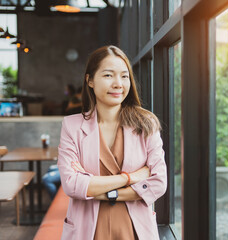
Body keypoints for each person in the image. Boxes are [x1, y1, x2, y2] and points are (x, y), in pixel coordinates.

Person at [58, 45, 167, 240]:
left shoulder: (146, 124)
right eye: (108, 75)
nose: (118, 84)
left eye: (124, 76)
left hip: (134, 229)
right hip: (87, 231)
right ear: (90, 80)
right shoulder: (72, 126)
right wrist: (129, 178)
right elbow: (72, 185)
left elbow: (158, 183)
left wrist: (100, 190)